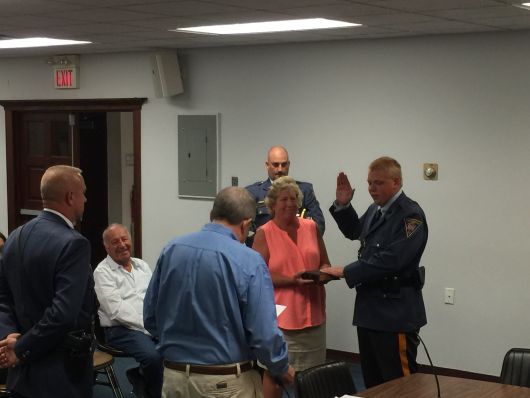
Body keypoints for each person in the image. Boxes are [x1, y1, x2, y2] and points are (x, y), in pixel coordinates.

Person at [143, 186, 295, 398]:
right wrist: (281, 367)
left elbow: (150, 318)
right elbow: (264, 335)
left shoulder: (172, 249)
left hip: (173, 378)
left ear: (212, 215)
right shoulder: (249, 261)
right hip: (225, 383)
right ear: (246, 224)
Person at [323, 156, 428, 388]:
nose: (371, 188)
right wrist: (343, 206)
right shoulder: (375, 210)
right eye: (369, 183)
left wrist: (345, 271)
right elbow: (355, 231)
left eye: (378, 183)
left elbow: (392, 260)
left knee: (400, 384)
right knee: (374, 383)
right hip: (370, 310)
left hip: (395, 313)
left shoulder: (411, 215)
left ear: (396, 182)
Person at [0, 165, 96, 398]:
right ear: (70, 197)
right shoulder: (74, 243)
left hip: (22, 377)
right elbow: (63, 314)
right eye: (83, 193)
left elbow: (3, 298)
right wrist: (20, 349)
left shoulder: (15, 236)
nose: (85, 199)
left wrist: (10, 339)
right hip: (60, 377)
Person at [252, 176, 332, 398]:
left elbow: (325, 261)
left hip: (313, 314)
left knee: (314, 377)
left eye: (294, 198)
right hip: (281, 320)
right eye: (284, 199)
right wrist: (291, 280)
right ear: (273, 204)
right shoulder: (264, 233)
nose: (290, 203)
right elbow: (259, 275)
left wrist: (325, 273)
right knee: (275, 375)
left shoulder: (311, 227)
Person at [94, 223, 163, 398]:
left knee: (175, 347)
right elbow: (117, 311)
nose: (122, 245)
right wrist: (149, 327)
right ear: (106, 247)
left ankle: (140, 375)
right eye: (115, 242)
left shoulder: (142, 265)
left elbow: (155, 297)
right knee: (153, 357)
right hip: (120, 329)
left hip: (147, 324)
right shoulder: (102, 272)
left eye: (124, 239)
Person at [246, 146, 325, 245]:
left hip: (298, 247)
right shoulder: (253, 193)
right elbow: (246, 230)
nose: (280, 169)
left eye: (284, 165)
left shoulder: (304, 190)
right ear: (267, 165)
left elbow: (319, 226)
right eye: (275, 164)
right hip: (265, 252)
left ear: (289, 164)